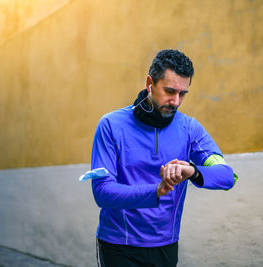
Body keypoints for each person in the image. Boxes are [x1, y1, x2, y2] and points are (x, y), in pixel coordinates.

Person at [91, 49, 238, 267]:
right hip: (118, 245)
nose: (176, 101)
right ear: (150, 83)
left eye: (183, 93)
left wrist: (193, 171)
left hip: (166, 245)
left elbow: (227, 177)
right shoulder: (111, 125)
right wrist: (156, 190)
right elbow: (102, 192)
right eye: (170, 91)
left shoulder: (189, 129)